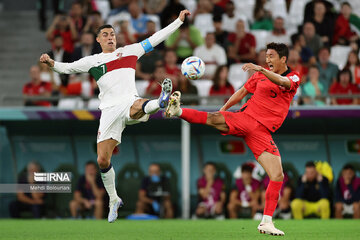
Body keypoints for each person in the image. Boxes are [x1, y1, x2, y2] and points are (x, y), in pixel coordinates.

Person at [40, 9, 191, 223]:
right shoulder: (92, 61)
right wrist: (51, 63)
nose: (110, 37)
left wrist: (178, 21)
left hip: (129, 101)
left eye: (112, 34)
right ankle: (114, 199)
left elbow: (155, 39)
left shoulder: (130, 51)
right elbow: (68, 69)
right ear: (98, 39)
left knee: (138, 104)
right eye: (106, 35)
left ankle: (161, 101)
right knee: (103, 160)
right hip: (109, 110)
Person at [166, 42, 300, 236]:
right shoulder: (259, 75)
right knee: (213, 117)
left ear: (283, 59)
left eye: (271, 56)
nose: (268, 60)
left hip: (262, 133)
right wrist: (224, 108)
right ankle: (177, 110)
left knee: (277, 175)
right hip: (246, 119)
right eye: (266, 56)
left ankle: (266, 222)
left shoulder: (293, 76)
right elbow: (242, 92)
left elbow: (283, 82)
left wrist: (260, 69)